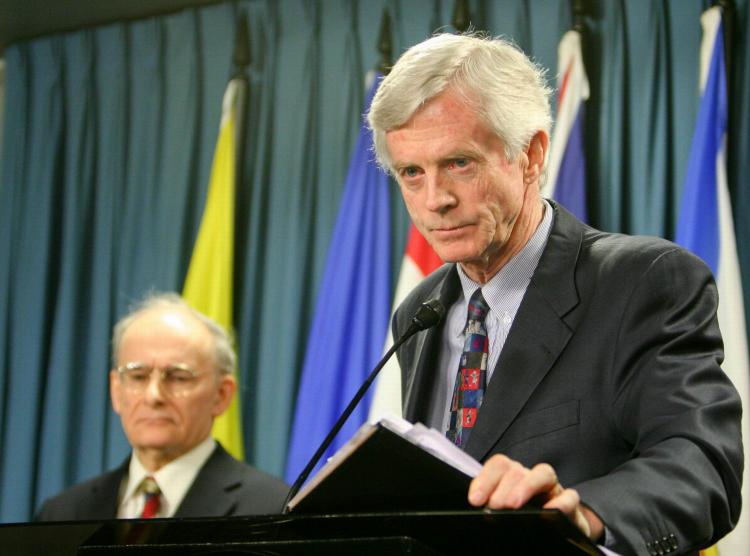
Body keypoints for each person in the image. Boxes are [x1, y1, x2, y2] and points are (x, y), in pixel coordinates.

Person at [367, 33, 742, 555]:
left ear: (531, 155)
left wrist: (584, 512)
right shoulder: (421, 311)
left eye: (459, 163)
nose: (436, 200)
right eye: (412, 173)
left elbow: (701, 464)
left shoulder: (642, 282)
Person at [37, 293, 288, 520]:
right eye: (138, 376)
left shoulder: (274, 511)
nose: (153, 395)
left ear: (222, 395)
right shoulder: (61, 513)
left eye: (178, 377)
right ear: (116, 390)